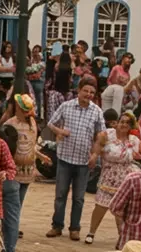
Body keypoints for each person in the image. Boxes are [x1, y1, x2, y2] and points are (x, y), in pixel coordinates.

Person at [47, 78, 105, 241]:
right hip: (65, 158)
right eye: (86, 90)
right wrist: (60, 131)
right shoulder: (66, 106)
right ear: (79, 90)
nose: (89, 94)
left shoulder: (97, 111)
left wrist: (95, 155)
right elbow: (51, 123)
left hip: (84, 162)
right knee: (60, 195)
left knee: (79, 197)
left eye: (92, 92)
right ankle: (56, 226)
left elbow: (101, 136)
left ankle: (75, 228)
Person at [84, 111, 139, 246]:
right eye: (122, 121)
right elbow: (98, 145)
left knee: (122, 209)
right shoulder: (107, 134)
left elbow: (137, 157)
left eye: (127, 122)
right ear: (117, 122)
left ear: (131, 125)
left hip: (125, 177)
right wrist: (94, 156)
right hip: (108, 175)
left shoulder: (134, 140)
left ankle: (122, 236)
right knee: (101, 205)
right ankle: (91, 232)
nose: (123, 124)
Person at [0, 96, 44, 252]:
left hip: (25, 173)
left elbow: (30, 146)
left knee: (13, 212)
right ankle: (9, 248)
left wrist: (39, 156)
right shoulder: (11, 125)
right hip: (14, 173)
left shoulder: (30, 124)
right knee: (13, 212)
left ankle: (8, 246)